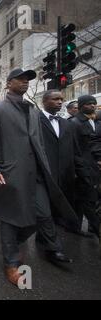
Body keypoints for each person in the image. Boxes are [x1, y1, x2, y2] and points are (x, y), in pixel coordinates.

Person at [0, 69, 75, 287]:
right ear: (8, 84)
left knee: (42, 215)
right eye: (20, 79)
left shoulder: (33, 111)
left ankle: (15, 245)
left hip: (36, 174)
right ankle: (11, 264)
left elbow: (39, 143)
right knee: (9, 220)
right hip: (10, 176)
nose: (24, 83)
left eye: (27, 80)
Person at [39, 90, 92, 236]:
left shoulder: (66, 124)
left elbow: (75, 151)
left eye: (61, 99)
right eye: (55, 99)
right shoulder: (34, 121)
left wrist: (83, 173)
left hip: (65, 177)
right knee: (45, 213)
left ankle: (52, 240)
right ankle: (50, 246)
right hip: (45, 177)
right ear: (44, 101)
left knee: (60, 213)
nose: (60, 102)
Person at [70, 95, 101, 239]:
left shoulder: (95, 121)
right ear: (81, 106)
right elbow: (74, 149)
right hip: (84, 168)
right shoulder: (75, 123)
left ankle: (88, 227)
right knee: (86, 200)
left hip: (95, 167)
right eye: (89, 104)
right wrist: (79, 169)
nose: (93, 106)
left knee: (89, 200)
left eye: (94, 103)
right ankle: (93, 228)